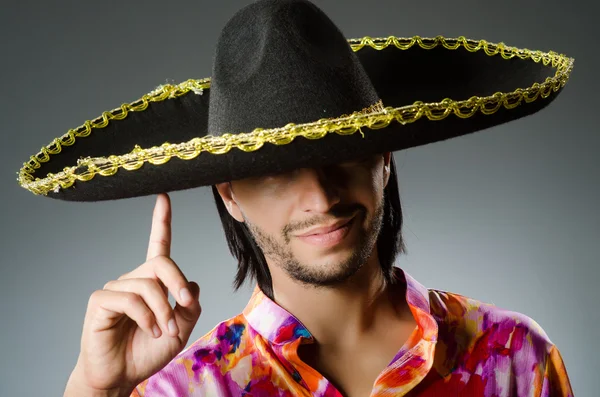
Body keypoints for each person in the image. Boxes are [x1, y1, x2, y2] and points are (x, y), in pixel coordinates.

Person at [16, 0, 575, 396]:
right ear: (230, 194)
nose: (320, 196)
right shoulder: (186, 392)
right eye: (277, 172)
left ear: (384, 158)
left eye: (344, 152)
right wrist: (94, 391)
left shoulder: (513, 360)